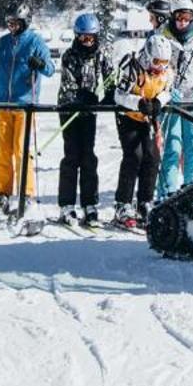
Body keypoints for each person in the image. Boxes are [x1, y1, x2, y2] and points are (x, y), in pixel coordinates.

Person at [0, 12, 51, 219]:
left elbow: (50, 68)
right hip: (4, 103)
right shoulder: (3, 42)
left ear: (25, 23)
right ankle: (3, 193)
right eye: (9, 23)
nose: (12, 27)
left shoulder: (35, 41)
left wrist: (40, 64)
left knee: (21, 151)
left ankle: (27, 193)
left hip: (25, 104)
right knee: (3, 152)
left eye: (16, 23)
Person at [57, 12, 115, 227]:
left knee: (88, 157)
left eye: (90, 38)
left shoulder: (101, 54)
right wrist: (81, 96)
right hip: (69, 109)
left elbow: (110, 76)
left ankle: (90, 204)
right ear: (76, 36)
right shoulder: (69, 55)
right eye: (83, 38)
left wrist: (109, 94)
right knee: (72, 156)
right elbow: (68, 85)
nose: (87, 42)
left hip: (89, 111)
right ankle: (67, 205)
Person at [114, 36, 174, 229]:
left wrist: (158, 102)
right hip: (128, 116)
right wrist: (138, 103)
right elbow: (118, 95)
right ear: (148, 56)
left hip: (148, 117)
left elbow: (168, 91)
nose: (160, 68)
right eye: (157, 62)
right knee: (134, 155)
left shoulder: (165, 73)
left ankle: (144, 202)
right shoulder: (132, 67)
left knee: (152, 157)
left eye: (164, 63)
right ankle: (123, 204)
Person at [155, 0, 193, 198]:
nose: (183, 22)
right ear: (173, 17)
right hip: (171, 100)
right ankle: (166, 195)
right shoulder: (162, 36)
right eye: (179, 18)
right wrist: (164, 89)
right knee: (172, 148)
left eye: (187, 18)